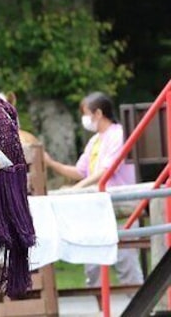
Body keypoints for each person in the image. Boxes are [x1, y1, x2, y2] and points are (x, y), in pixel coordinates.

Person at [44, 91, 144, 287]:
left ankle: (140, 302)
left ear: (98, 113)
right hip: (97, 205)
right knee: (92, 263)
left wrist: (77, 189)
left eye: (86, 113)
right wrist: (51, 163)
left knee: (126, 259)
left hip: (120, 202)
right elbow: (81, 172)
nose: (85, 119)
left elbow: (106, 170)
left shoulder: (118, 134)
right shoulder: (95, 141)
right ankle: (99, 306)